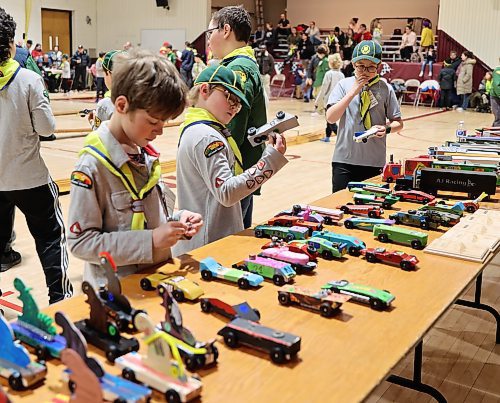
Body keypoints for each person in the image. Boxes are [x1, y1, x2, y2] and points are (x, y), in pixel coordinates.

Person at [67, 49, 202, 288]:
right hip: (117, 291)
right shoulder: (92, 167)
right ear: (121, 105)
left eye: (164, 122)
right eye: (153, 121)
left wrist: (177, 221)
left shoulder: (144, 152)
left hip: (157, 278)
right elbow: (81, 243)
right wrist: (150, 241)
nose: (160, 130)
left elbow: (145, 218)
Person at [0, 7, 73, 303]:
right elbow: (46, 128)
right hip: (28, 177)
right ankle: (61, 299)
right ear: (9, 44)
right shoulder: (28, 79)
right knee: (50, 237)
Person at [175, 65, 287, 255]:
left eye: (239, 103)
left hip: (206, 240)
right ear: (205, 90)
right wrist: (270, 160)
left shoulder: (199, 128)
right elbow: (227, 192)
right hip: (210, 245)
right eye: (230, 98)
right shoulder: (207, 137)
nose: (235, 108)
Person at [206, 5, 267, 229]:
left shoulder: (238, 69)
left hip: (231, 173)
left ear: (226, 30)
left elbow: (231, 126)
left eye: (209, 32)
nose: (209, 39)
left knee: (224, 243)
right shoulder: (241, 65)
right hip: (241, 173)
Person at [325, 40, 403, 192]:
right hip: (344, 161)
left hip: (373, 162)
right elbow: (331, 117)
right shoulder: (343, 85)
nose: (365, 71)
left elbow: (398, 122)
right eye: (361, 66)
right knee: (341, 206)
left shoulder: (385, 88)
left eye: (371, 67)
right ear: (353, 65)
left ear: (378, 66)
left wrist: (386, 129)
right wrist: (353, 92)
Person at [90, 50, 123, 129]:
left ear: (108, 73)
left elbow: (98, 133)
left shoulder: (105, 104)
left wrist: (92, 122)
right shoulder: (139, 99)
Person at [317, 53, 345, 141]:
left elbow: (323, 89)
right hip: (339, 100)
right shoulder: (341, 75)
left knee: (330, 120)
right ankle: (327, 137)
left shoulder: (329, 74)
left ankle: (341, 137)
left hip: (329, 100)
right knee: (328, 119)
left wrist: (318, 100)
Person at [308, 45, 329, 115]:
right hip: (315, 79)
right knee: (315, 94)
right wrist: (309, 77)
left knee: (320, 95)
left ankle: (320, 109)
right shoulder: (314, 58)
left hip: (322, 80)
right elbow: (310, 68)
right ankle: (318, 108)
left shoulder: (326, 60)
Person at [491, 60, 500, 126]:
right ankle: (495, 134)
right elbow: (497, 85)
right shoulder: (497, 71)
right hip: (496, 96)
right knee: (498, 117)